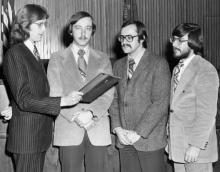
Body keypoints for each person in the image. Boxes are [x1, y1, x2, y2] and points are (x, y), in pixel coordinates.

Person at [3, 4, 83, 172]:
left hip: (36, 136)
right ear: (25, 24)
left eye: (45, 24)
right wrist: (63, 101)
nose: (44, 29)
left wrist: (14, 106)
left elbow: (29, 91)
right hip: (27, 139)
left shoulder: (31, 51)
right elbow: (24, 99)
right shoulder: (16, 53)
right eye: (39, 24)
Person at [47, 11, 114, 172]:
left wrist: (91, 112)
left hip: (97, 126)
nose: (83, 33)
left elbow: (108, 92)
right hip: (69, 126)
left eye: (88, 28)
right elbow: (55, 93)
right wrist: (76, 115)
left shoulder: (103, 58)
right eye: (78, 28)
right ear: (71, 30)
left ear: (92, 31)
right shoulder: (56, 58)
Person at [109, 20, 171, 172]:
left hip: (148, 140)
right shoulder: (118, 65)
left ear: (142, 38)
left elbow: (160, 103)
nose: (124, 41)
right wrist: (117, 128)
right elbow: (114, 99)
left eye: (129, 37)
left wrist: (138, 133)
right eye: (122, 38)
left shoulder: (158, 63)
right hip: (124, 139)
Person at [166, 23, 219, 172]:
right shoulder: (177, 68)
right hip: (178, 147)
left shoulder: (205, 69)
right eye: (173, 39)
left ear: (193, 43)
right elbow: (175, 108)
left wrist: (196, 145)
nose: (174, 44)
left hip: (196, 150)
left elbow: (207, 114)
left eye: (180, 40)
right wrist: (171, 138)